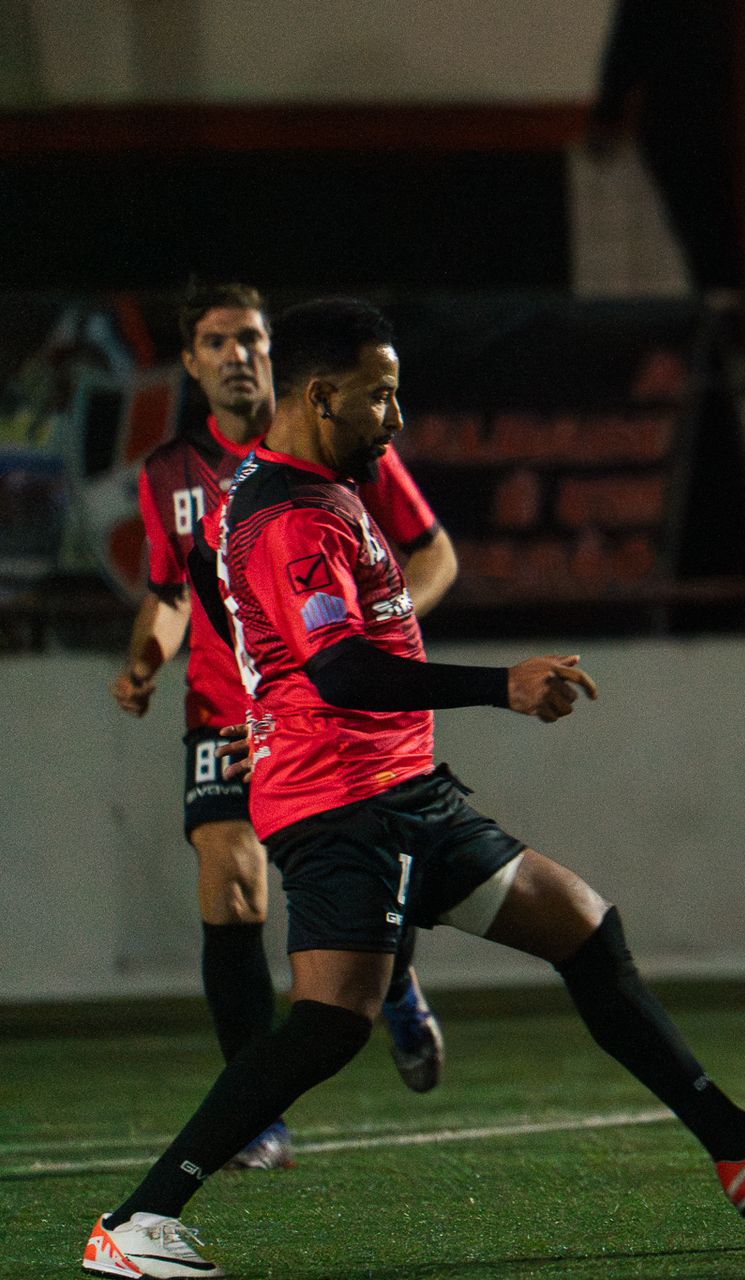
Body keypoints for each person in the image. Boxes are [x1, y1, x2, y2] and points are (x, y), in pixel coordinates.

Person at [83, 299, 745, 1279]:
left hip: (399, 787)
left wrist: (260, 695)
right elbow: (342, 672)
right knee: (330, 1023)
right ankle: (135, 1222)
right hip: (346, 805)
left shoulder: (309, 489)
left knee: (582, 923)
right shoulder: (289, 516)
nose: (397, 419)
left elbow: (232, 600)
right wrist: (500, 684)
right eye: (381, 397)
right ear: (324, 397)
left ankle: (739, 1147)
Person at [110, 284, 460, 1170]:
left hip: (329, 710)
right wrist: (146, 662)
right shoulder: (168, 475)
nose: (238, 354)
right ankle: (253, 1109)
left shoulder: (338, 434)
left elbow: (435, 551)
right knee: (233, 883)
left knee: (371, 869)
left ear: (277, 355)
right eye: (217, 341)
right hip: (225, 710)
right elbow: (168, 595)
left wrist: (378, 623)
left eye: (252, 339)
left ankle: (396, 981)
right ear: (190, 362)